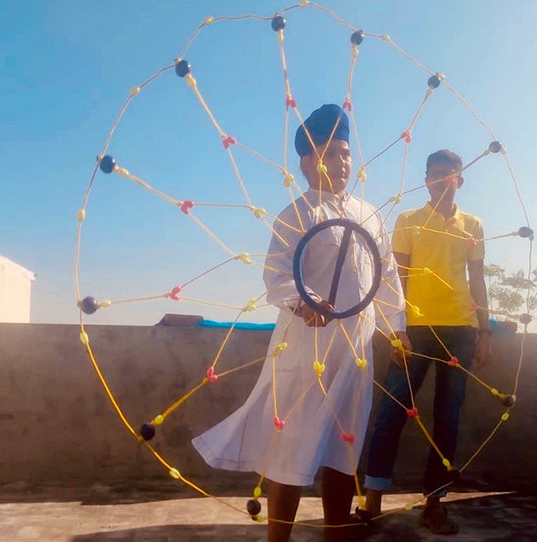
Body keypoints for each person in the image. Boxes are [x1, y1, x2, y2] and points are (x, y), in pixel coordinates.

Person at [192, 104, 411, 542]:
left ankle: (335, 532)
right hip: (304, 349)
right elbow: (276, 276)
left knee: (343, 446)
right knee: (290, 447)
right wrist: (303, 302)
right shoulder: (296, 214)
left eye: (346, 153)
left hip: (355, 351)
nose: (341, 162)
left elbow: (385, 277)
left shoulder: (371, 216)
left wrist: (398, 327)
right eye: (330, 154)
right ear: (307, 164)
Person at [360, 149, 491, 535]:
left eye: (448, 175)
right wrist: (395, 328)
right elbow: (394, 279)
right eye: (434, 175)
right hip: (413, 331)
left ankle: (434, 504)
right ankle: (372, 503)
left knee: (447, 420)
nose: (440, 181)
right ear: (426, 179)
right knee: (391, 413)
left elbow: (478, 279)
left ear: (460, 180)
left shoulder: (474, 224)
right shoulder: (408, 220)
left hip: (461, 331)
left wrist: (485, 331)